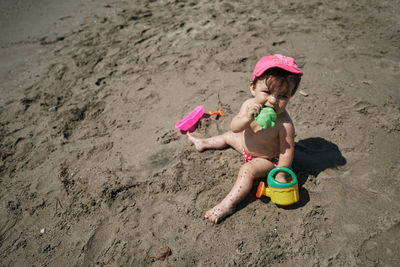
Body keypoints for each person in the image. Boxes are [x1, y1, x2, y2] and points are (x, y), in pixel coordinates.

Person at [187, 54, 303, 223]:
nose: (273, 100)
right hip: (246, 146)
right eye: (267, 92)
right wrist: (246, 118)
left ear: (291, 96)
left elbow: (286, 151)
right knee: (228, 136)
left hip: (268, 159)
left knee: (247, 170)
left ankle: (228, 204)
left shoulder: (284, 123)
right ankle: (203, 142)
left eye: (282, 96)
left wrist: (280, 173)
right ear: (253, 88)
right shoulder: (249, 105)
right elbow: (235, 127)